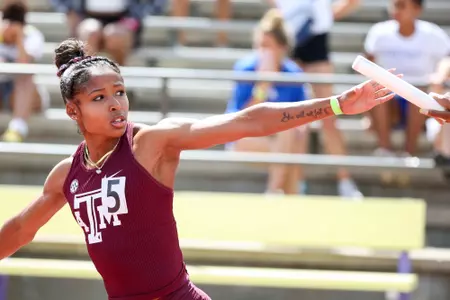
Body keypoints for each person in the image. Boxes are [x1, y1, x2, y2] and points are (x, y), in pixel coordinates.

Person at [0, 38, 394, 299]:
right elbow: (19, 230)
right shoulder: (66, 175)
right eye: (100, 97)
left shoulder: (151, 144)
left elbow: (247, 122)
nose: (116, 103)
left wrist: (337, 105)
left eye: (119, 91)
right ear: (73, 110)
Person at [226, 9, 357, 197]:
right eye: (259, 46)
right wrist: (263, 85)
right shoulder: (246, 68)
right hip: (245, 139)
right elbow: (238, 121)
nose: (262, 52)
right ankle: (280, 192)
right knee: (288, 145)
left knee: (291, 132)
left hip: (282, 140)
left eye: (267, 46)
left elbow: (302, 117)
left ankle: (283, 194)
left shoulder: (293, 73)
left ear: (281, 48)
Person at [268, 0, 363, 197]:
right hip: (290, 38)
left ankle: (344, 180)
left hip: (316, 40)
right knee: (292, 120)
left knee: (329, 116)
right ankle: (296, 185)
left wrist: (327, 15)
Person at [364, 0, 450, 157]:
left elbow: (447, 60)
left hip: (421, 99)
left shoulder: (433, 34)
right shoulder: (379, 33)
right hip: (389, 100)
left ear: (417, 9)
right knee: (378, 90)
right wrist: (368, 114)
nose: (395, 10)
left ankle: (409, 153)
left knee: (417, 93)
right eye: (394, 5)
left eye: (402, 5)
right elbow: (368, 68)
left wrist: (439, 75)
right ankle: (385, 150)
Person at [50, 0, 164, 65]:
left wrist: (137, 16)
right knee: (90, 33)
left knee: (115, 36)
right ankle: (87, 86)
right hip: (87, 16)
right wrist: (69, 10)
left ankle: (119, 86)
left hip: (124, 18)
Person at [0, 1, 48, 142]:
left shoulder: (32, 35)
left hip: (24, 94)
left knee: (25, 75)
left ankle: (17, 128)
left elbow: (25, 63)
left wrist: (19, 39)